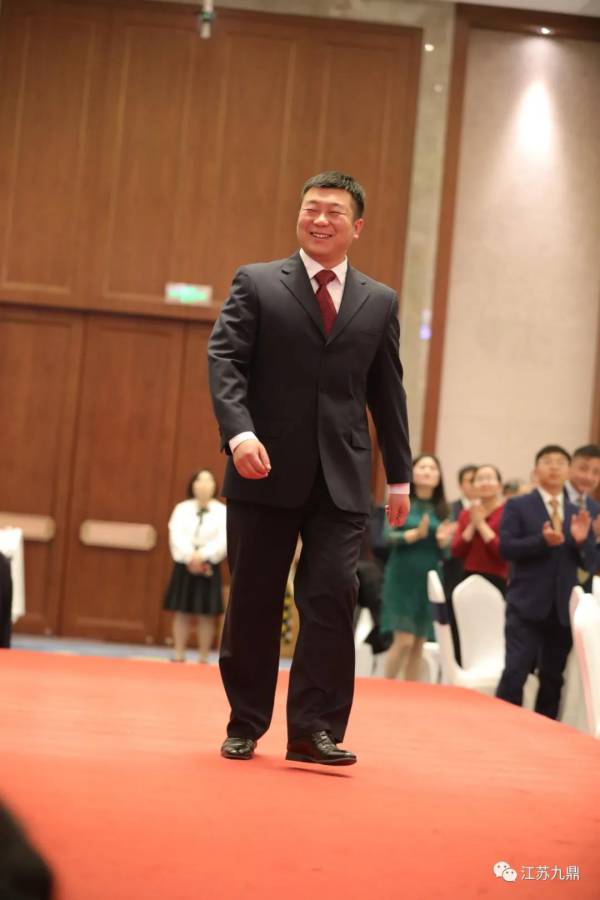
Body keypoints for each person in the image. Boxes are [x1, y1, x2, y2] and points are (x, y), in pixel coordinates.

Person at [208, 171, 412, 765]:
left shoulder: (379, 300)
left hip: (343, 476)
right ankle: (246, 721)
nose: (320, 220)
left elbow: (388, 393)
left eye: (334, 212)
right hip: (262, 468)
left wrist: (399, 476)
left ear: (357, 226)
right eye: (311, 209)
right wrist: (239, 433)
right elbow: (225, 359)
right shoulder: (257, 283)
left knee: (332, 596)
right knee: (255, 598)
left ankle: (314, 729)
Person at [496, 445, 595, 719]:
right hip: (526, 604)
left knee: (553, 679)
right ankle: (500, 725)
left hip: (562, 609)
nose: (554, 467)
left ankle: (545, 731)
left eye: (560, 462)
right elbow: (506, 548)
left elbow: (590, 563)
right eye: (547, 461)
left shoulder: (578, 512)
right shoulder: (519, 505)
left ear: (568, 471)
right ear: (536, 470)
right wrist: (542, 541)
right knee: (516, 672)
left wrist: (581, 541)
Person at [381, 454, 451, 681]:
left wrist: (444, 543)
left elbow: (447, 553)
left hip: (429, 577)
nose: (428, 471)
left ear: (439, 476)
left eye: (433, 468)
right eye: (422, 467)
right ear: (412, 473)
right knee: (404, 640)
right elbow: (387, 537)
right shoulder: (400, 501)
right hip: (401, 576)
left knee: (419, 643)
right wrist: (415, 534)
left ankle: (409, 693)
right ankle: (386, 689)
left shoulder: (444, 510)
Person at [163, 470, 226, 663]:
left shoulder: (222, 511)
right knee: (181, 610)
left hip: (210, 565)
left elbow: (224, 540)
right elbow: (176, 534)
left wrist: (204, 556)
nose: (204, 485)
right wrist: (190, 556)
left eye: (209, 481)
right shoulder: (182, 509)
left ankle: (203, 657)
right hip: (185, 563)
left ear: (215, 486)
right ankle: (179, 654)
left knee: (207, 613)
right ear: (193, 485)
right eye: (200, 481)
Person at [451, 464, 508, 595]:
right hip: (469, 578)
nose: (485, 483)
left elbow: (503, 552)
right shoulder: (466, 513)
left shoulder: (508, 512)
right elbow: (456, 550)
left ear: (499, 485)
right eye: (480, 479)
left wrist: (481, 525)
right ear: (474, 486)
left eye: (490, 478)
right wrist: (473, 524)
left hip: (499, 578)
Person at [442, 463, 478, 662]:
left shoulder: (492, 509)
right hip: (454, 574)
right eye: (470, 480)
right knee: (454, 627)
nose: (475, 484)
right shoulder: (450, 509)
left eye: (477, 480)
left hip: (481, 573)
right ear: (460, 484)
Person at [564, 444, 600, 590]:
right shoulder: (553, 499)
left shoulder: (596, 509)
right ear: (570, 467)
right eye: (583, 469)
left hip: (583, 590)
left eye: (596, 472)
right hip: (547, 588)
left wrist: (596, 538)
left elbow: (594, 562)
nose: (589, 477)